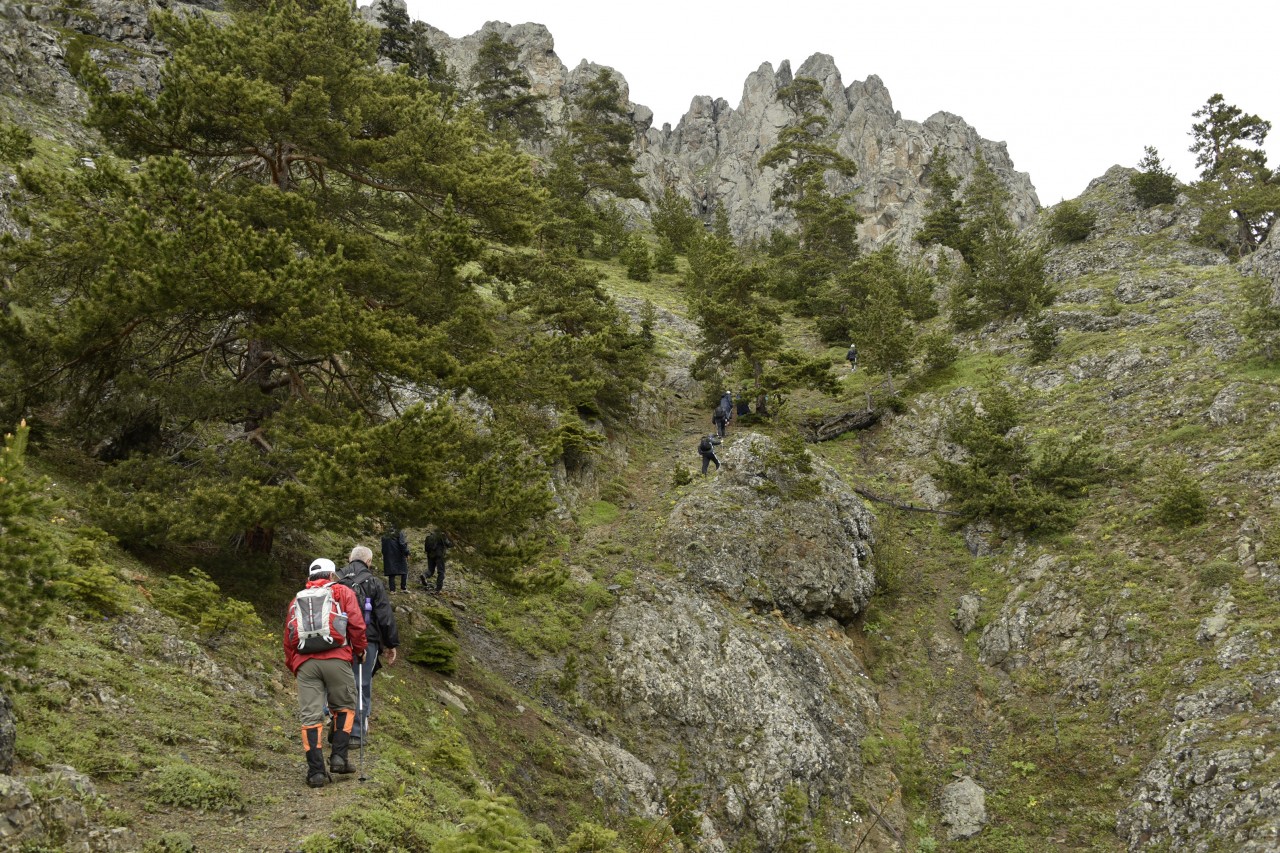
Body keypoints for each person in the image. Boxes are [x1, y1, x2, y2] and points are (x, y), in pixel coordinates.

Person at [284, 558, 367, 788]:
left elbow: (288, 639)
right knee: (345, 707)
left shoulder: (296, 599)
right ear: (331, 576)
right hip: (337, 657)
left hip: (305, 663)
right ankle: (339, 757)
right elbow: (357, 626)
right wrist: (359, 651)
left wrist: (296, 666)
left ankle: (316, 772)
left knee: (310, 717)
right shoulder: (342, 592)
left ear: (308, 578)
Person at [335, 545, 399, 746]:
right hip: (366, 640)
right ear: (369, 562)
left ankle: (336, 725)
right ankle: (355, 733)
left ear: (349, 558)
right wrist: (390, 644)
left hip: (337, 639)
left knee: (338, 682)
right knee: (361, 682)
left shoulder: (335, 579)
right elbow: (384, 616)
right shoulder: (373, 583)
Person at [422, 528, 452, 594]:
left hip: (430, 555)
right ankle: (438, 589)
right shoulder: (443, 536)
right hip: (439, 556)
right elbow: (449, 544)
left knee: (430, 570)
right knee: (441, 571)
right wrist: (454, 542)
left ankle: (424, 575)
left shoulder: (430, 536)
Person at [380, 526, 410, 593]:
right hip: (398, 554)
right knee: (404, 570)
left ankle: (392, 590)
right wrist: (407, 553)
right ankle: (403, 588)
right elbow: (402, 543)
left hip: (388, 555)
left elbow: (383, 546)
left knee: (391, 573)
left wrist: (385, 554)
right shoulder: (399, 531)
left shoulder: (385, 533)